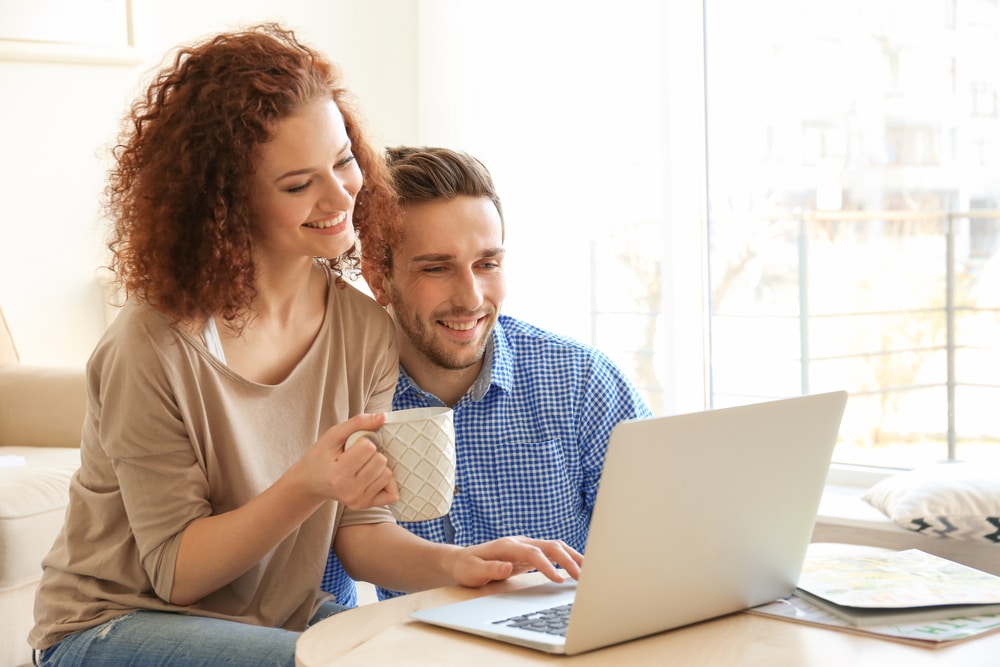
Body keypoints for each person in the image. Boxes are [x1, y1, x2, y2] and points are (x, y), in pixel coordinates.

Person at [28, 26, 581, 667]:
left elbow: (360, 533)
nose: (342, 195)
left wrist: (463, 566)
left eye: (344, 161)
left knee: (440, 653)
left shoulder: (364, 330)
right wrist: (311, 483)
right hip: (114, 625)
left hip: (274, 618)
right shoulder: (152, 344)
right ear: (226, 203)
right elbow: (174, 572)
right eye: (298, 184)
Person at [321, 146, 652, 602]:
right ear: (379, 276)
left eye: (487, 264)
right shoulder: (343, 403)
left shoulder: (582, 382)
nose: (472, 297)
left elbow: (664, 539)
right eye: (437, 268)